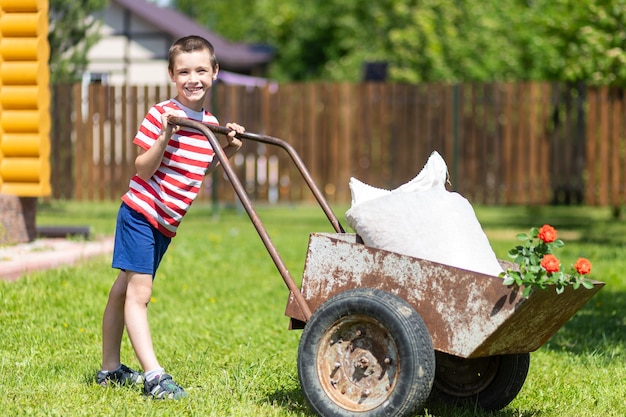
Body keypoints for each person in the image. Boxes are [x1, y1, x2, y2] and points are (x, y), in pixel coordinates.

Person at [96, 35, 245, 400]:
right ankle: (154, 376)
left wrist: (227, 148)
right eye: (183, 72)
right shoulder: (161, 114)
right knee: (139, 292)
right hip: (141, 213)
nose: (192, 79)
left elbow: (197, 173)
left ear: (215, 72)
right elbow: (143, 169)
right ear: (171, 75)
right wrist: (165, 135)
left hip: (166, 223)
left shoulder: (209, 122)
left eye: (200, 70)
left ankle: (109, 370)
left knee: (123, 290)